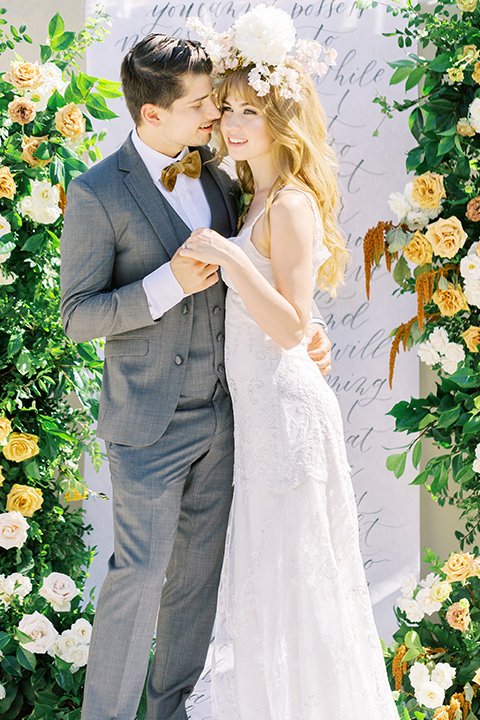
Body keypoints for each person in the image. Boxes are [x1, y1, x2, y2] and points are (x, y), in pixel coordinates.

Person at [60, 31, 331, 720]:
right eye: (203, 103)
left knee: (195, 586)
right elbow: (77, 318)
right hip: (147, 425)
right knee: (138, 579)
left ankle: (170, 711)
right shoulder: (96, 193)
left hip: (226, 418)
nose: (215, 115)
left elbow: (268, 278)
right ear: (152, 115)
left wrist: (306, 333)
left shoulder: (219, 176)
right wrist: (166, 284)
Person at [181, 7, 400, 719]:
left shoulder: (294, 203)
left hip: (286, 412)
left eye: (252, 109)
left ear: (283, 117)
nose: (235, 124)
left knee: (300, 583)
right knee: (269, 584)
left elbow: (289, 325)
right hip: (261, 413)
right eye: (229, 109)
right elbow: (296, 319)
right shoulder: (254, 197)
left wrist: (228, 257)